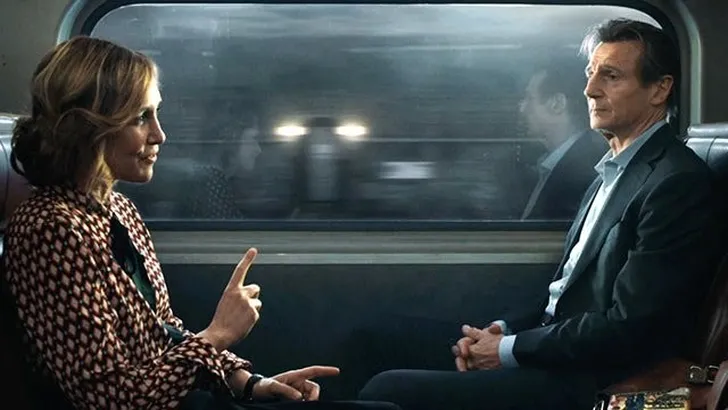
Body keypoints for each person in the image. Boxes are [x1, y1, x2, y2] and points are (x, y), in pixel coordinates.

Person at [2, 36, 399, 410]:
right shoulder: (49, 230)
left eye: (156, 114)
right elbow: (111, 398)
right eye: (141, 118)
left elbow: (165, 334)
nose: (160, 134)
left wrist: (250, 383)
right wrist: (218, 334)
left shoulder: (119, 210)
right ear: (90, 128)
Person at [358, 18, 723, 410]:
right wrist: (502, 330)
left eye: (611, 76)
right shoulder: (613, 170)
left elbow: (628, 327)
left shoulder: (674, 183)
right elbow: (566, 292)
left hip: (590, 378)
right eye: (590, 73)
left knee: (387, 390)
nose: (590, 89)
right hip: (553, 347)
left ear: (660, 89)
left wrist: (507, 350)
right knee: (374, 337)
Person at [518, 59, 608, 220]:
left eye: (529, 98)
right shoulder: (560, 163)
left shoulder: (582, 174)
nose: (522, 108)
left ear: (557, 104)